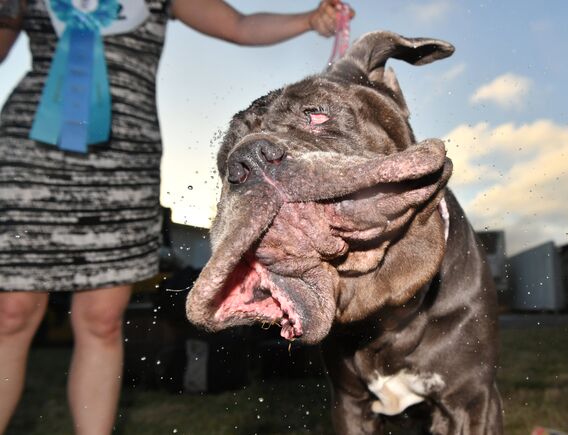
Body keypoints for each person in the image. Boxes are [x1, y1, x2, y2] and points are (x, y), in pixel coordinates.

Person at [0, 0, 353, 433]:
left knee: (102, 318)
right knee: (9, 313)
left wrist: (308, 19)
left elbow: (239, 24)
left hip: (122, 161)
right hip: (28, 155)